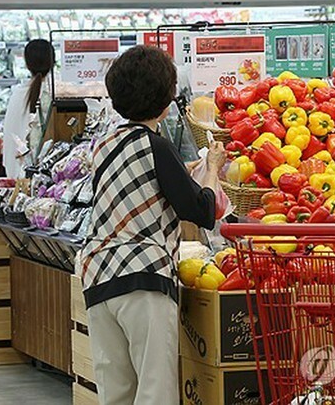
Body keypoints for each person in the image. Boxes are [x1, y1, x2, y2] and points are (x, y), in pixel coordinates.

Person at [78, 45, 226, 405]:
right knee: (154, 391)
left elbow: (137, 188)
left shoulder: (105, 145)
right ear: (165, 99)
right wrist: (211, 168)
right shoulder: (156, 145)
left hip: (98, 277)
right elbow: (202, 210)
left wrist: (187, 173)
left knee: (116, 393)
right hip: (143, 280)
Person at [2, 39, 54, 178]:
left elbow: (9, 142)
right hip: (48, 179)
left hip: (18, 178)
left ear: (26, 64)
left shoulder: (18, 95)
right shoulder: (57, 93)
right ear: (53, 62)